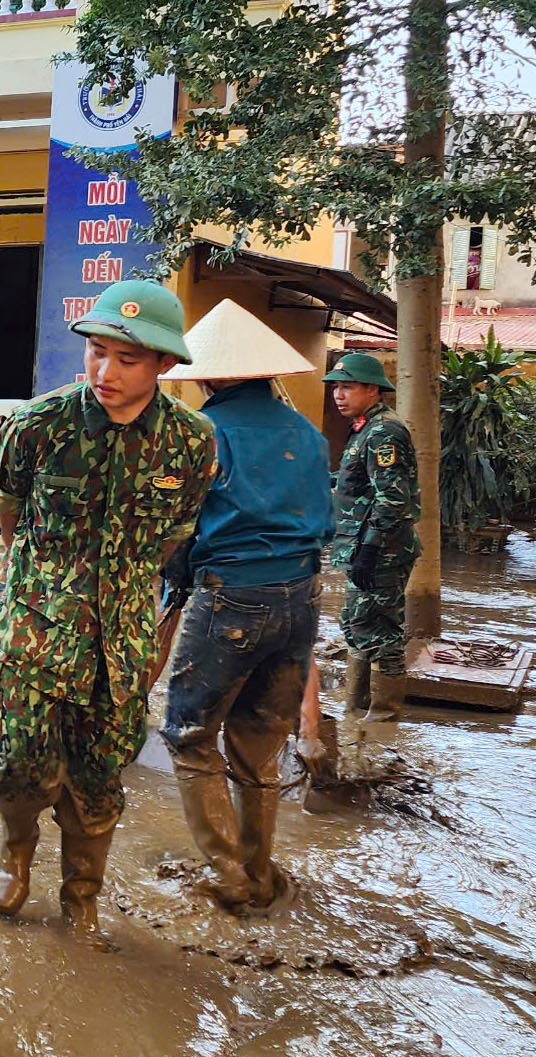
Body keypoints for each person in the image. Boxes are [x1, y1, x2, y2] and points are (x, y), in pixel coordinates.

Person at [0, 279, 217, 939]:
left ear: (164, 365)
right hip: (33, 624)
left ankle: (81, 895)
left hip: (123, 639)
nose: (104, 372)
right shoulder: (38, 424)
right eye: (96, 353)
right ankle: (15, 846)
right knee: (17, 760)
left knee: (101, 771)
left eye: (127, 359)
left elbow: (175, 531)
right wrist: (49, 583)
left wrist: (124, 590)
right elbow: (7, 513)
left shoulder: (189, 442)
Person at [156, 300, 335, 912]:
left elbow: (178, 531)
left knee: (188, 735)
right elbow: (325, 523)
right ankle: (259, 871)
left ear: (208, 375)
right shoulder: (308, 435)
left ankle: (226, 871)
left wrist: (168, 584)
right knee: (259, 744)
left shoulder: (203, 434)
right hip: (303, 597)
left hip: (230, 593)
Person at [323, 351, 421, 722]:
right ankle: (354, 710)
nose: (338, 395)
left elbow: (393, 497)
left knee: (378, 629)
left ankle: (382, 717)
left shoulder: (384, 432)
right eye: (336, 388)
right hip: (364, 546)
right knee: (356, 623)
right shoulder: (365, 428)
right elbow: (356, 486)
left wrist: (369, 549)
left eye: (347, 388)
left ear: (372, 390)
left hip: (382, 550)